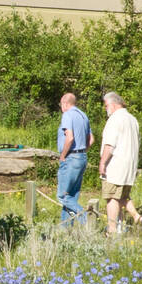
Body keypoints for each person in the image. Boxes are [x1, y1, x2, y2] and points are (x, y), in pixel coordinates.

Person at [98, 92, 142, 235]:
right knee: (122, 197)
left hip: (115, 165)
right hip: (129, 166)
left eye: (106, 106)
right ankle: (133, 219)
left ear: (113, 104)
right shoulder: (132, 119)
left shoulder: (115, 119)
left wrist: (102, 163)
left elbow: (109, 145)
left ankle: (111, 231)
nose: (106, 109)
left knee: (111, 197)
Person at [56, 92, 93, 224]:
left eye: (61, 104)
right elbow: (91, 139)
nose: (61, 107)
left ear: (65, 103)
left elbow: (69, 137)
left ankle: (87, 219)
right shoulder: (83, 115)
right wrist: (82, 151)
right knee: (71, 196)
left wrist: (63, 155)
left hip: (71, 158)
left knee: (62, 196)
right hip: (82, 157)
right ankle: (65, 230)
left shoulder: (67, 115)